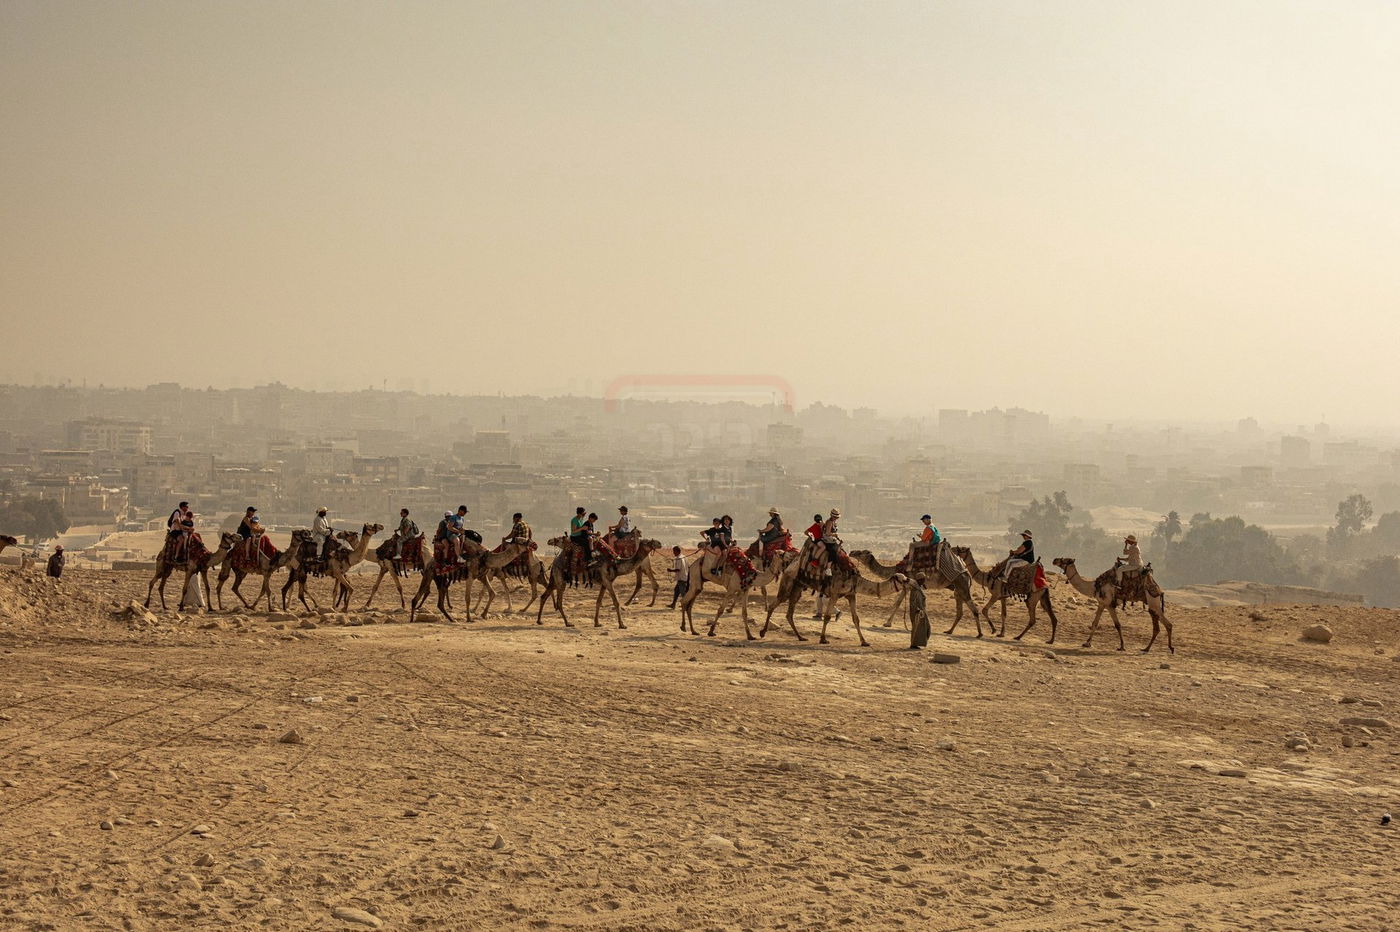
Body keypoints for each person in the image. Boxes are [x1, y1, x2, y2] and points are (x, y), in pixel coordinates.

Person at [908, 573, 930, 649]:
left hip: (922, 611)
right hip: (917, 612)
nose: (924, 581)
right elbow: (912, 602)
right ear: (920, 580)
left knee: (925, 627)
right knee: (916, 628)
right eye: (923, 579)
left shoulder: (919, 588)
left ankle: (919, 642)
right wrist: (917, 610)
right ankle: (914, 644)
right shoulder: (914, 590)